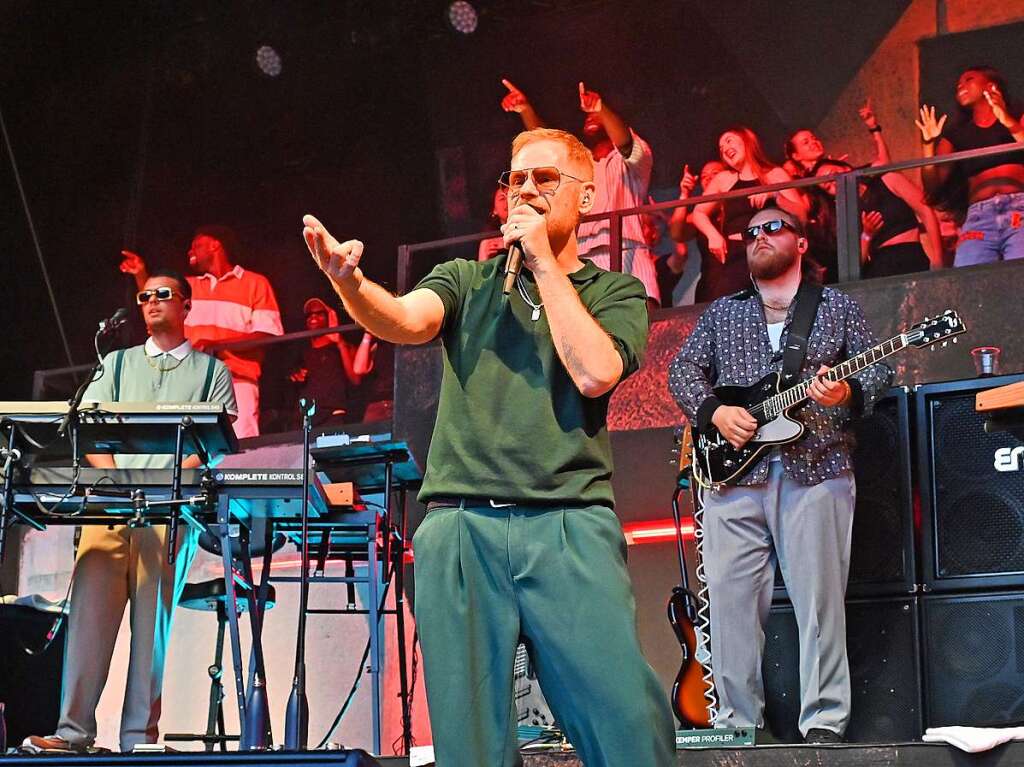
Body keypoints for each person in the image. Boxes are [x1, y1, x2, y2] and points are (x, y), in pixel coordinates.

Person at [302, 127, 675, 767]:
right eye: (516, 178)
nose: (524, 190)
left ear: (585, 198)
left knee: (628, 724)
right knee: (469, 742)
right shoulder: (466, 280)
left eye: (544, 179)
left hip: (567, 523)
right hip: (461, 526)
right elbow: (405, 320)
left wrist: (541, 263)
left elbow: (594, 372)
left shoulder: (613, 292)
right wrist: (350, 285)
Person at [668, 206, 892, 744]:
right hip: (731, 481)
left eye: (772, 227)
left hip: (816, 470)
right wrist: (714, 413)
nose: (759, 237)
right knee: (728, 609)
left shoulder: (834, 307)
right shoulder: (723, 314)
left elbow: (879, 369)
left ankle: (824, 724)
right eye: (751, 232)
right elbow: (681, 370)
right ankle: (735, 727)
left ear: (799, 241)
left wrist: (846, 392)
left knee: (820, 605)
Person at [24, 269, 237, 753]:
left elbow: (212, 445)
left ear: (186, 305)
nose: (152, 301)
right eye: (145, 296)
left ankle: (138, 739)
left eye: (164, 294)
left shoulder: (211, 371)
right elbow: (92, 432)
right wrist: (120, 484)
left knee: (151, 631)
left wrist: (164, 484)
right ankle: (72, 732)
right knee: (87, 621)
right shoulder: (116, 363)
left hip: (167, 513)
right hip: (110, 511)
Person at [501, 78, 660, 306]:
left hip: (628, 256)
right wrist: (526, 110)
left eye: (598, 116)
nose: (590, 118)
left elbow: (626, 144)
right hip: (579, 260)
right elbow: (546, 146)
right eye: (587, 116)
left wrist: (600, 108)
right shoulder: (578, 168)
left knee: (638, 334)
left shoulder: (630, 164)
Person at [120, 225, 284, 437]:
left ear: (216, 245)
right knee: (186, 449)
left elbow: (267, 335)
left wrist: (219, 346)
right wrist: (141, 274)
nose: (190, 252)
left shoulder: (255, 283)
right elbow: (156, 310)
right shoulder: (187, 287)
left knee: (239, 449)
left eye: (196, 245)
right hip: (188, 378)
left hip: (237, 380)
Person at [917, 65, 1024, 266]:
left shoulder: (1018, 115)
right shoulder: (956, 134)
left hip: (1019, 207)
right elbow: (933, 186)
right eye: (959, 83)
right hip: (979, 215)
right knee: (971, 280)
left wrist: (1008, 121)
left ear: (990, 86)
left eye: (969, 79)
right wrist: (928, 146)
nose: (961, 85)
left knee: (1018, 276)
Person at [688, 126, 808, 303]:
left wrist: (775, 195)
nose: (724, 148)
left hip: (771, 255)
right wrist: (713, 235)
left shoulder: (775, 174)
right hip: (737, 257)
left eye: (729, 140)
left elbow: (801, 215)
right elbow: (698, 212)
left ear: (747, 140)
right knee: (729, 310)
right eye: (721, 148)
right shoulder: (724, 179)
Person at [811, 158, 942, 278]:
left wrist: (938, 259)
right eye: (828, 187)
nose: (834, 184)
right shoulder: (845, 214)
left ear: (846, 168)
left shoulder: (887, 179)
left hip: (910, 254)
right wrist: (867, 235)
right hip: (880, 265)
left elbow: (926, 212)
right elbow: (855, 264)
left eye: (833, 174)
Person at [289, 297, 375, 425]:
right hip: (307, 415)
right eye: (309, 314)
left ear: (329, 316)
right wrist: (296, 376)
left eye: (319, 313)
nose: (313, 317)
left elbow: (355, 379)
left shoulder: (344, 346)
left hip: (333, 415)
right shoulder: (301, 352)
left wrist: (339, 342)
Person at [783, 99, 892, 178]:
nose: (814, 142)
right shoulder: (806, 185)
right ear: (796, 156)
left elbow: (883, 164)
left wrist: (873, 128)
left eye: (814, 138)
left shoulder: (839, 170)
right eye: (805, 142)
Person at [478, 183, 510, 261]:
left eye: (510, 197)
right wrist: (486, 259)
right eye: (502, 199)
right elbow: (481, 271)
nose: (508, 201)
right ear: (494, 210)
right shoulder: (488, 242)